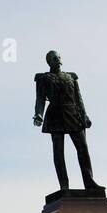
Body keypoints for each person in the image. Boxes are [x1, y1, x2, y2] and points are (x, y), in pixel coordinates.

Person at [33, 50, 101, 190]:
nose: (56, 59)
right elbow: (40, 99)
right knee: (58, 152)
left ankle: (89, 181)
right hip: (55, 115)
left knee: (83, 149)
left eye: (58, 57)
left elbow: (78, 98)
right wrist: (38, 114)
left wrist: (85, 115)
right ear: (49, 62)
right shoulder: (43, 78)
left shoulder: (71, 77)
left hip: (73, 114)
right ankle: (64, 185)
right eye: (53, 58)